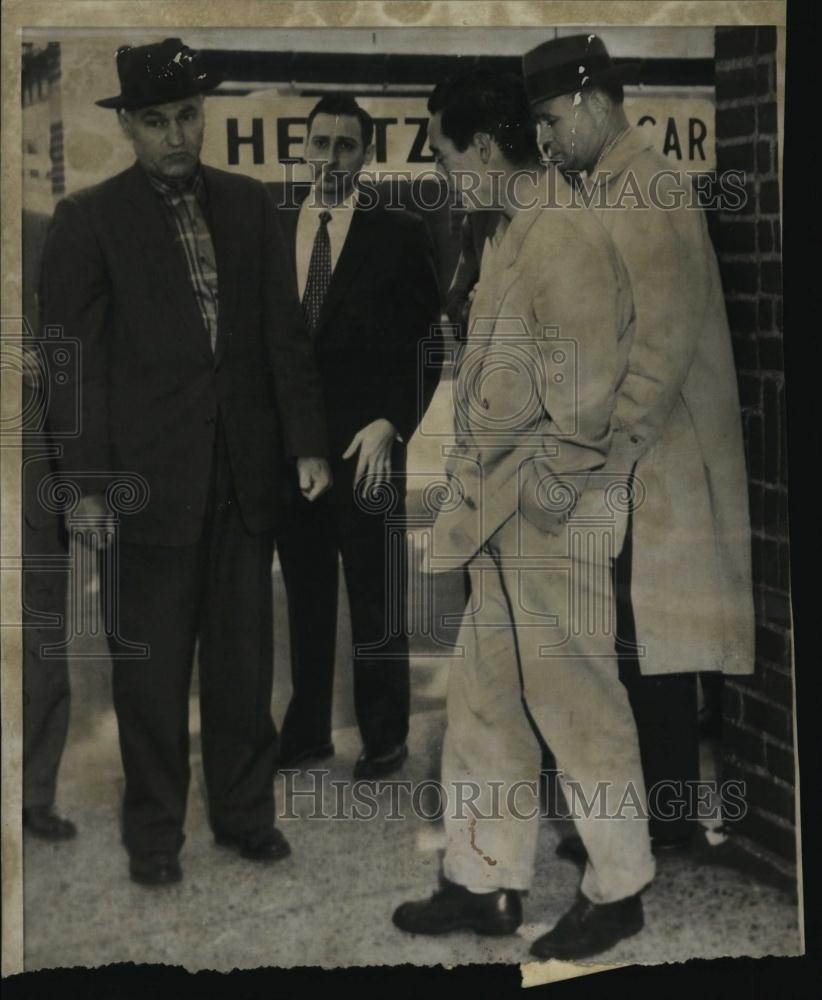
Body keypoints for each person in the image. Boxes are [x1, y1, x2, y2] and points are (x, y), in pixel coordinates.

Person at [39, 38, 330, 887]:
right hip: (145, 488)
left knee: (243, 667)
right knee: (151, 680)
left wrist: (306, 442)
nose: (176, 135)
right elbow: (71, 363)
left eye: (188, 117)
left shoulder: (249, 206)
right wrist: (85, 489)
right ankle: (155, 838)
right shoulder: (89, 221)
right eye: (157, 120)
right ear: (128, 125)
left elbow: (285, 335)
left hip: (245, 480)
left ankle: (245, 817)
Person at [393, 69, 655, 962]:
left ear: (482, 150)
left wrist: (538, 507)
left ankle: (619, 890)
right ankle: (483, 884)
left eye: (442, 150)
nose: (441, 168)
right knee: (484, 707)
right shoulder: (510, 233)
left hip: (555, 516)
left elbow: (583, 409)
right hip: (506, 518)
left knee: (579, 706)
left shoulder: (566, 241)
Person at [522, 33, 754, 856]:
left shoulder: (646, 188)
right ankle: (652, 816)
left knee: (640, 644)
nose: (545, 140)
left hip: (648, 459)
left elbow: (657, 348)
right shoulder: (599, 185)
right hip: (623, 458)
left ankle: (659, 820)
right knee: (629, 642)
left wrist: (604, 461)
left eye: (551, 120)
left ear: (590, 100)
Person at [274, 95, 441, 779]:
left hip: (368, 448)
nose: (331, 158)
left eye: (347, 145)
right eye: (320, 143)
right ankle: (309, 731)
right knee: (305, 591)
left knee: (375, 594)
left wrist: (393, 423)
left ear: (366, 154)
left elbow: (428, 344)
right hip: (295, 450)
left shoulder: (396, 234)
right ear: (303, 147)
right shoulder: (275, 222)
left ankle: (384, 735)